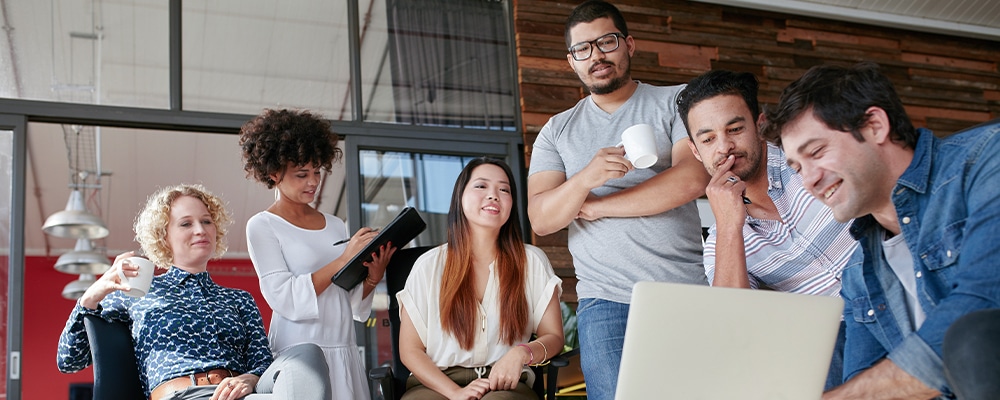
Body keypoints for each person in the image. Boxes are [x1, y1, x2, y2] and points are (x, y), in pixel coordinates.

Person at [761, 61, 1000, 399]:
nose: (808, 180)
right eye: (797, 167)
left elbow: (985, 303)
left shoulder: (986, 161)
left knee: (972, 337)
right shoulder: (858, 274)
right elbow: (865, 381)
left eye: (816, 152)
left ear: (875, 126)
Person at [525, 1, 708, 397]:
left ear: (629, 44)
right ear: (571, 61)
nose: (597, 55)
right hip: (605, 303)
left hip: (685, 289)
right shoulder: (556, 131)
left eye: (606, 42)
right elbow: (541, 218)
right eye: (583, 49)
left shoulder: (677, 101)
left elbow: (692, 179)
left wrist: (596, 207)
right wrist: (585, 179)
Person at [56, 184, 331, 400]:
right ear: (164, 236)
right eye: (186, 223)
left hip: (243, 394)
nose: (200, 230)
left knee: (307, 355)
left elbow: (262, 364)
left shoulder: (239, 300)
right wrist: (93, 295)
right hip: (183, 394)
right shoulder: (135, 294)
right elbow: (69, 361)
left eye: (207, 221)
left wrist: (248, 379)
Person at [676, 70, 856, 389]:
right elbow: (732, 327)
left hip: (895, 294)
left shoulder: (806, 159)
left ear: (759, 125)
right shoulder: (721, 239)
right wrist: (731, 226)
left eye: (735, 129)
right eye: (708, 139)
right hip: (834, 346)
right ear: (695, 150)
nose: (725, 147)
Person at [240, 108, 396, 400]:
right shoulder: (262, 226)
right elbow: (283, 296)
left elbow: (347, 298)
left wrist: (371, 279)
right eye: (301, 175)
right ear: (274, 173)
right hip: (299, 354)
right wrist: (342, 259)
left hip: (343, 347)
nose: (313, 182)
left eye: (316, 172)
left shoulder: (335, 224)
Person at [397, 157, 564, 400]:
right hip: (436, 386)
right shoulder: (428, 266)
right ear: (460, 197)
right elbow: (410, 350)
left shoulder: (532, 261)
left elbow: (555, 337)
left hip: (505, 386)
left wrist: (521, 354)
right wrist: (455, 393)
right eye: (481, 186)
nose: (493, 195)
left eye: (504, 189)